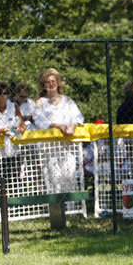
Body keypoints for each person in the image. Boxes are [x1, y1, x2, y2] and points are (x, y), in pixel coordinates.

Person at [34, 68, 84, 199]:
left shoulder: (68, 101)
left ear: (58, 83)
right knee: (54, 178)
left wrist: (73, 125)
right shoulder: (40, 103)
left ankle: (71, 208)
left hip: (67, 145)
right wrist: (56, 125)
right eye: (47, 82)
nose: (51, 84)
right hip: (49, 147)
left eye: (53, 81)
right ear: (43, 85)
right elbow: (39, 122)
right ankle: (56, 208)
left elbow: (78, 117)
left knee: (69, 175)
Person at [0, 81, 26, 194]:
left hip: (12, 153)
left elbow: (22, 125)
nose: (3, 96)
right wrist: (0, 131)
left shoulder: (13, 106)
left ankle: (11, 210)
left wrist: (19, 128)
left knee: (12, 185)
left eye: (6, 93)